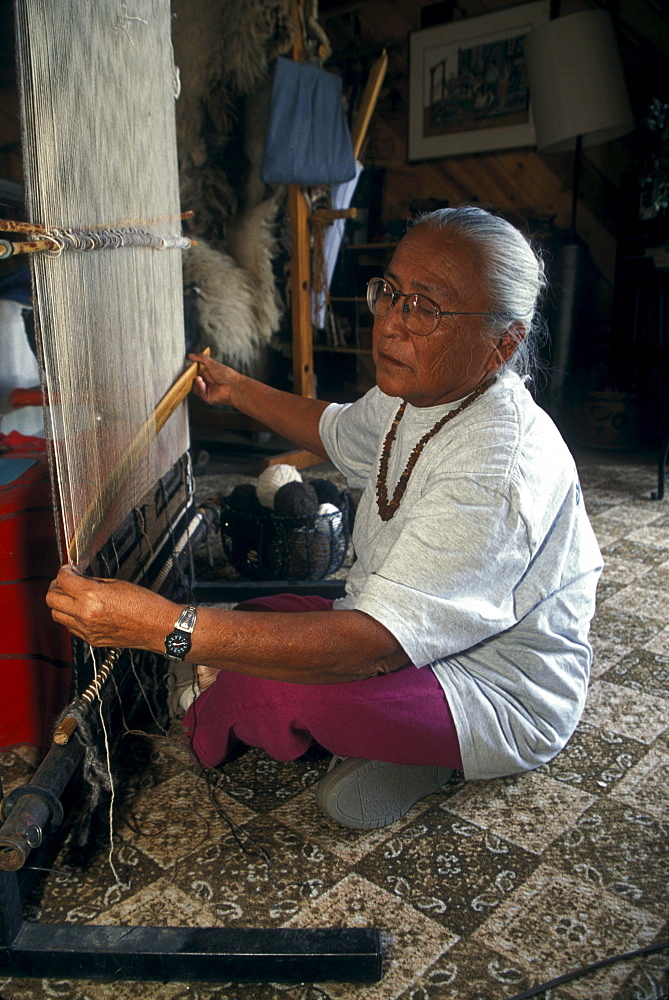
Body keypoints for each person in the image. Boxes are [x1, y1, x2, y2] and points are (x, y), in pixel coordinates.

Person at [47, 206, 603, 831]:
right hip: (406, 639)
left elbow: (372, 644)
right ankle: (396, 740)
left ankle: (439, 751)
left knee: (267, 685)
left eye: (426, 308)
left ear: (504, 342)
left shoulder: (500, 469)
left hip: (493, 688)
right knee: (254, 621)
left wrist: (166, 630)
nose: (392, 323)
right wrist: (234, 388)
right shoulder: (418, 393)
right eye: (389, 292)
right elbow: (332, 428)